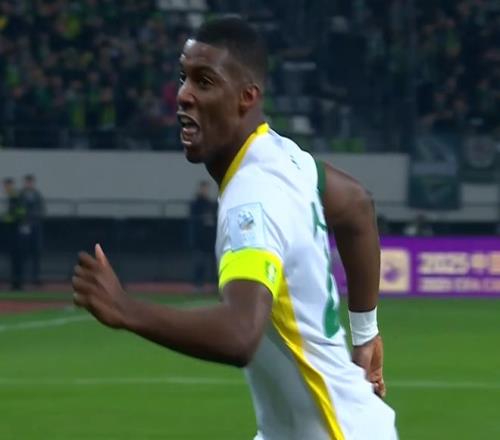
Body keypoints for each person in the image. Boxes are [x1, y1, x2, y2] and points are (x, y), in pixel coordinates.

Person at [72, 17, 398, 439]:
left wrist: (125, 309)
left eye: (204, 81)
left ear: (247, 97)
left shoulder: (253, 194)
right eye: (183, 78)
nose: (184, 95)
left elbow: (240, 336)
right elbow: (357, 206)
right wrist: (366, 335)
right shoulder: (283, 156)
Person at [189, 180, 217, 290]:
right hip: (199, 239)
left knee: (212, 263)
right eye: (203, 188)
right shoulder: (196, 204)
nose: (205, 191)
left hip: (209, 238)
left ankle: (213, 284)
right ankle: (198, 284)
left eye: (206, 189)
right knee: (200, 261)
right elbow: (194, 219)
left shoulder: (210, 204)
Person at [19, 174, 45, 285]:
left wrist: (34, 217)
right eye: (27, 182)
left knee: (36, 252)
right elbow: (19, 210)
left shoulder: (37, 195)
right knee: (23, 252)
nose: (29, 184)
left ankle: (35, 277)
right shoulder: (21, 195)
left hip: (35, 226)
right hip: (24, 226)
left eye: (30, 182)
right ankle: (21, 277)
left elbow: (41, 210)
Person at [2, 178, 25, 290]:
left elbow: (18, 215)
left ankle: (17, 283)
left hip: (15, 233)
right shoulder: (12, 198)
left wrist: (5, 218)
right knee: (15, 259)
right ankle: (15, 283)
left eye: (6, 186)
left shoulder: (15, 198)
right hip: (13, 233)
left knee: (16, 259)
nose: (5, 188)